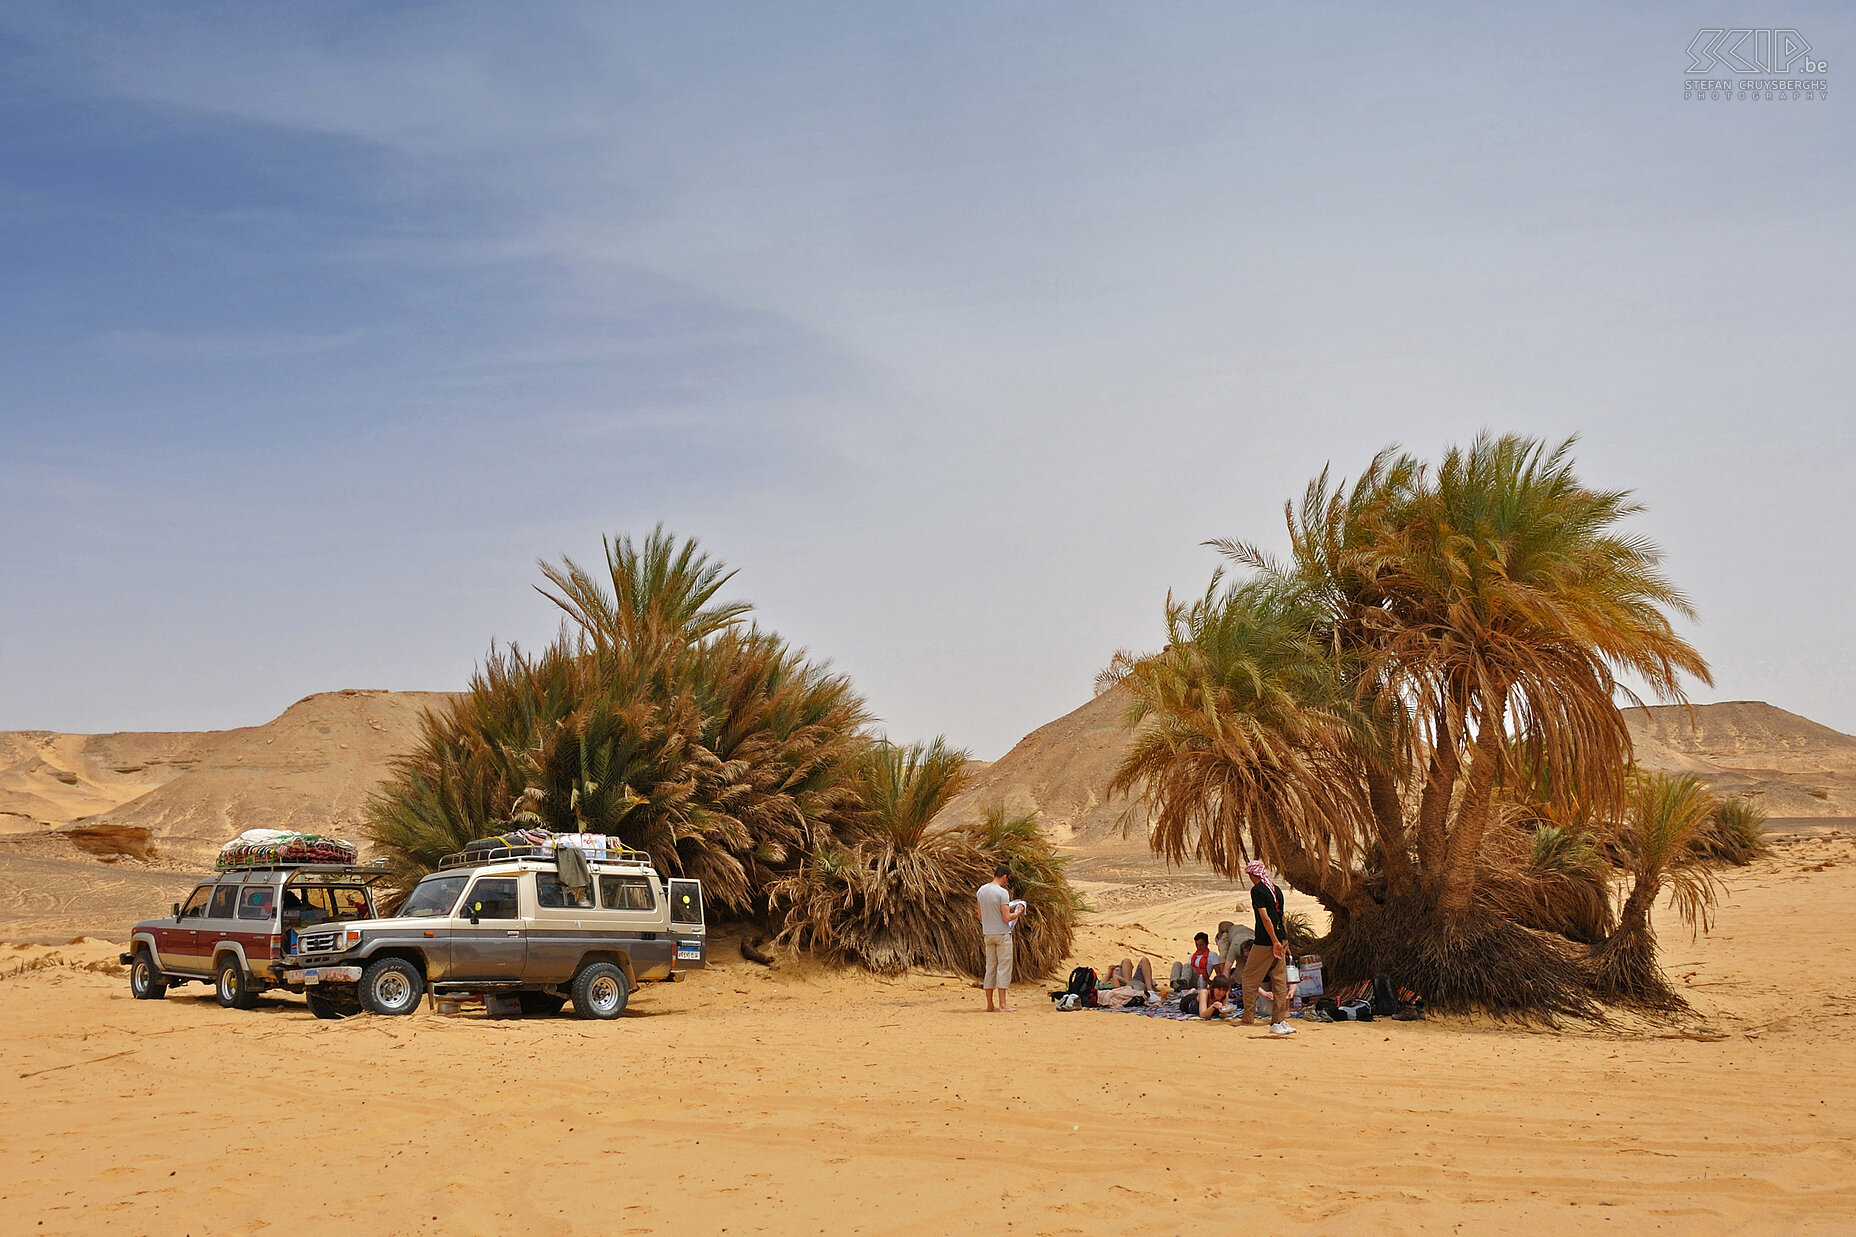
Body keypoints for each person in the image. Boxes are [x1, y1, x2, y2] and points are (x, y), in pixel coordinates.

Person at [1240, 859, 1296, 1035]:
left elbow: (1266, 918)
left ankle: (1248, 1018)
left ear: (1252, 874)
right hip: (1280, 939)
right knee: (1279, 982)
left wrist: (1274, 942)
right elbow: (1281, 917)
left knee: (1249, 978)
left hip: (1266, 942)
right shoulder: (1275, 889)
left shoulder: (1257, 891)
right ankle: (1279, 1021)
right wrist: (1284, 941)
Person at [976, 865, 1024, 1012]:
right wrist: (1018, 912)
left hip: (988, 933)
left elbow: (980, 915)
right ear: (1004, 877)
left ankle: (990, 1004)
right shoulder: (1002, 893)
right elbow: (1006, 917)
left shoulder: (981, 890)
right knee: (1003, 967)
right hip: (1002, 934)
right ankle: (1003, 1004)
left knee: (990, 968)